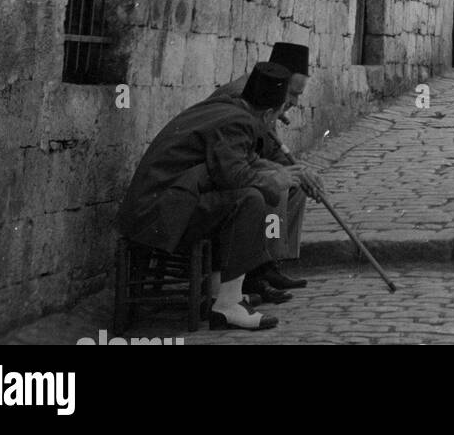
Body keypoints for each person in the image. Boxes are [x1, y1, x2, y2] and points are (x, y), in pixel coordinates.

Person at [118, 62, 303, 332]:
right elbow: (232, 176)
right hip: (161, 212)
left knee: (234, 199)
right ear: (267, 114)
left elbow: (241, 159)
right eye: (276, 116)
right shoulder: (237, 121)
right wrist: (273, 179)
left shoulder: (229, 109)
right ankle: (228, 305)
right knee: (249, 200)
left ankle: (222, 293)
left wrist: (278, 170)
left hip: (162, 203)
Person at [202, 42, 321, 299]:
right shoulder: (245, 96)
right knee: (274, 188)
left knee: (294, 184)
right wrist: (281, 172)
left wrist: (299, 171)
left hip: (238, 166)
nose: (294, 102)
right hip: (215, 173)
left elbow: (270, 148)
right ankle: (256, 269)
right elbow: (241, 156)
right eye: (293, 93)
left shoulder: (270, 95)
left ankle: (271, 262)